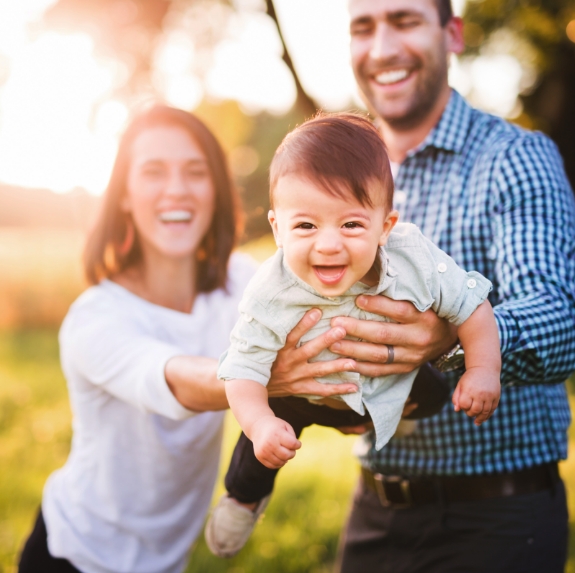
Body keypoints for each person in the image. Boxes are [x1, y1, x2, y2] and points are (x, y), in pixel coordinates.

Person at [16, 105, 360, 573]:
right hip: (76, 555)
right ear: (124, 195)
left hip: (168, 561)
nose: (176, 189)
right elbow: (175, 379)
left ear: (216, 190)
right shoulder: (95, 317)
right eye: (154, 171)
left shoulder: (245, 284)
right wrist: (260, 376)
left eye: (195, 172)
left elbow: (323, 324)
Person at [333, 1, 575, 572]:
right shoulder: (343, 179)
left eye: (405, 20)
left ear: (453, 34)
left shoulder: (514, 157)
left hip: (498, 518)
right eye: (363, 28)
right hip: (375, 508)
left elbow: (560, 319)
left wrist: (454, 340)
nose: (383, 47)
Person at [204, 112, 501, 558]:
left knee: (439, 394)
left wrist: (482, 369)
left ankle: (381, 415)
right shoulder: (270, 289)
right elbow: (241, 369)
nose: (328, 244)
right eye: (305, 225)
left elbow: (471, 306)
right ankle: (243, 498)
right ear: (277, 227)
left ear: (385, 226)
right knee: (257, 446)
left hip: (388, 378)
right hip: (303, 394)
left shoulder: (413, 258)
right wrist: (261, 422)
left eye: (351, 225)